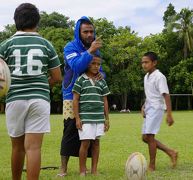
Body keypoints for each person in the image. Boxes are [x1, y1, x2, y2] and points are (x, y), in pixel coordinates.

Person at [0, 3, 62, 179]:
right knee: (33, 147)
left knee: (17, 147)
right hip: (39, 100)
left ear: (15, 21)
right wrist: (41, 85)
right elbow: (57, 77)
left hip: (15, 99)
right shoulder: (46, 44)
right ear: (37, 22)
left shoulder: (6, 44)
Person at [59, 16, 103, 176]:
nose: (90, 34)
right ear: (78, 32)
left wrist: (101, 75)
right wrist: (90, 51)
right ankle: (63, 168)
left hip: (90, 97)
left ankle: (90, 169)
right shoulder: (69, 48)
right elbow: (77, 66)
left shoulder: (96, 50)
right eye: (86, 31)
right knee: (69, 130)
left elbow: (99, 68)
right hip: (71, 96)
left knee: (90, 134)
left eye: (92, 31)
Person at [72, 55, 110, 176]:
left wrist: (107, 119)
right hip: (85, 118)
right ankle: (82, 170)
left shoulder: (102, 81)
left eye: (98, 64)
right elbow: (75, 100)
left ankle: (94, 170)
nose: (96, 66)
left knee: (96, 143)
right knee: (85, 143)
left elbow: (105, 100)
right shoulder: (80, 80)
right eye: (93, 63)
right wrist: (77, 118)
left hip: (99, 117)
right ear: (87, 64)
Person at [141, 52, 178, 171]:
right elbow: (150, 94)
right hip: (149, 108)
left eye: (146, 62)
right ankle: (171, 152)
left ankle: (152, 165)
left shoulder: (159, 76)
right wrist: (144, 106)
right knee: (145, 138)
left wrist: (169, 114)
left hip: (156, 108)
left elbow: (166, 95)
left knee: (150, 136)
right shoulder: (146, 77)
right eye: (142, 62)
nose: (144, 65)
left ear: (154, 63)